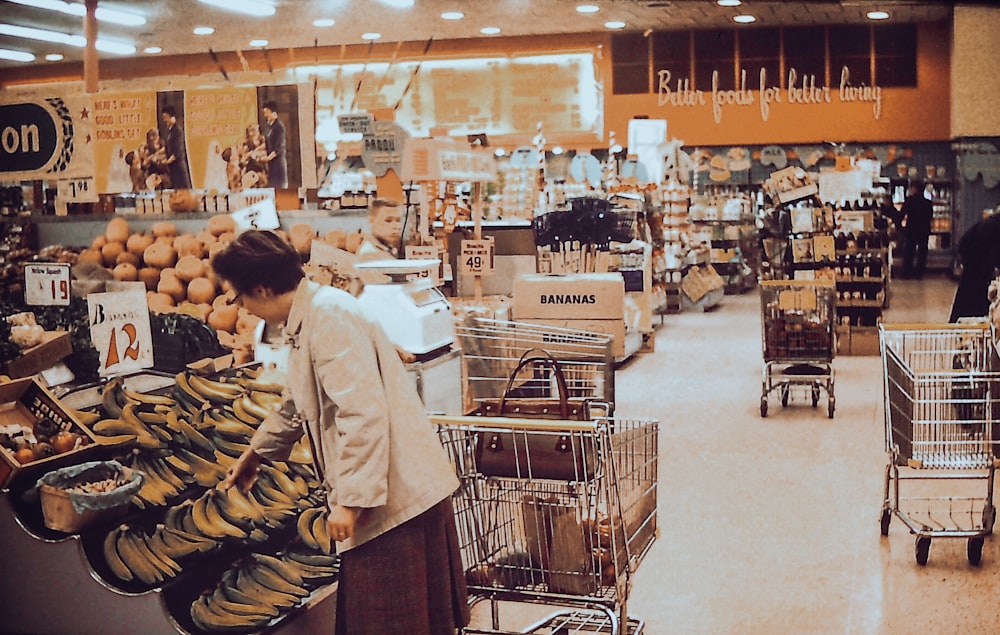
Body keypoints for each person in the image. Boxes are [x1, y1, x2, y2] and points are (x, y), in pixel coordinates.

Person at [215, 230, 469, 635]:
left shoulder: (328, 318)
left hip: (394, 502)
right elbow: (300, 400)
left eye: (239, 298)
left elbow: (362, 414)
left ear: (261, 288)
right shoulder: (309, 316)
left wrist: (351, 502)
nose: (242, 309)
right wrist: (258, 452)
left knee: (392, 624)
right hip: (391, 492)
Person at [949, 209, 1000, 322]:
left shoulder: (987, 223)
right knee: (978, 313)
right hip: (983, 278)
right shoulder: (996, 228)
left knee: (963, 309)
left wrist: (967, 263)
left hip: (971, 273)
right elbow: (993, 257)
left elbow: (962, 244)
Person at [898, 182, 934, 279]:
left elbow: (901, 215)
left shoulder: (910, 201)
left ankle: (907, 272)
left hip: (911, 229)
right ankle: (919, 273)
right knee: (922, 252)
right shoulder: (928, 203)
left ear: (914, 189)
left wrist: (899, 227)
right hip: (924, 230)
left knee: (909, 251)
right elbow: (930, 217)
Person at [161, 105, 192, 189]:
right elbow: (167, 147)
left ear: (170, 116)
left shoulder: (177, 130)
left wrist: (168, 161)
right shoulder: (170, 130)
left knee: (183, 187)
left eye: (165, 117)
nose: (164, 120)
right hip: (173, 166)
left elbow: (178, 150)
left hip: (178, 165)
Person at [262, 101, 288, 189]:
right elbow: (267, 142)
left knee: (279, 188)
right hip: (271, 163)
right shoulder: (269, 126)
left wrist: (268, 158)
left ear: (273, 112)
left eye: (267, 113)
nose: (265, 115)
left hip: (278, 163)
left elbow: (279, 147)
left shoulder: (279, 127)